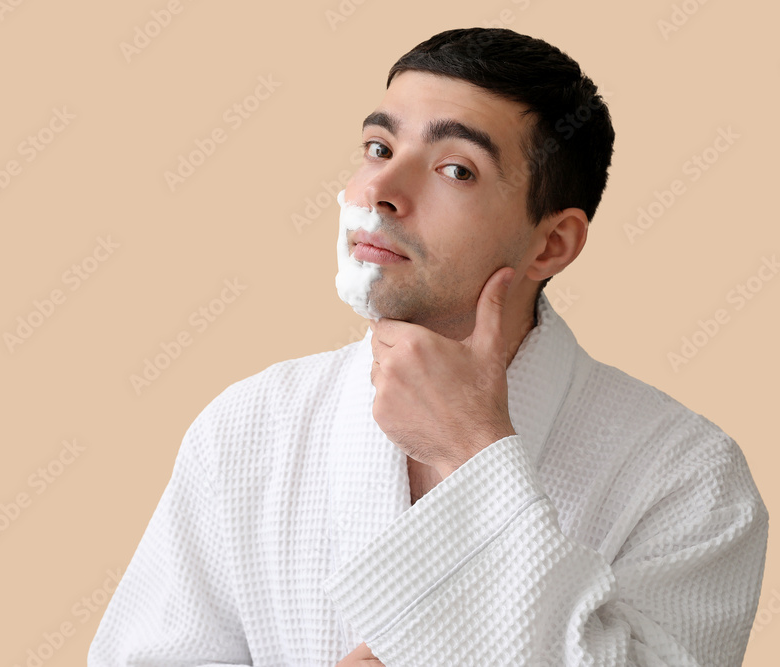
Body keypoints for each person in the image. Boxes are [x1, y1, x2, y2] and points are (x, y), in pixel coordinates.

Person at [87, 27, 768, 666]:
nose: (380, 190)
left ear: (552, 242)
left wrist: (472, 450)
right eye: (379, 149)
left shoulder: (691, 477)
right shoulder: (249, 426)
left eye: (455, 170)